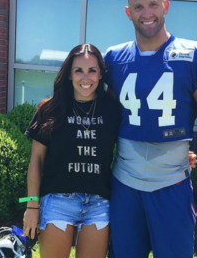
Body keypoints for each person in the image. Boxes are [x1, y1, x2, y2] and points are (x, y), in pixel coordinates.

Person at [104, 0, 197, 257]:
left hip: (172, 183)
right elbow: (108, 119)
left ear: (166, 6)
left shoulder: (194, 55)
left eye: (153, 4)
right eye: (138, 7)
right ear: (128, 12)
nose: (146, 13)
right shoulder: (113, 58)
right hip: (125, 183)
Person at [22, 44, 122, 258]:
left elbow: (133, 144)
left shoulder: (113, 109)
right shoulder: (49, 109)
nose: (86, 78)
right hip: (58, 201)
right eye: (79, 70)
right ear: (69, 74)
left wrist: (176, 155)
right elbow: (36, 162)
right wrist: (31, 207)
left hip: (99, 203)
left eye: (92, 70)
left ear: (101, 74)